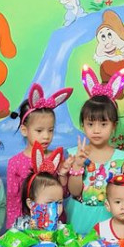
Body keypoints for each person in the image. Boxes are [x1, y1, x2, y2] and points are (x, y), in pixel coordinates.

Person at [66, 66, 124, 235]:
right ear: (83, 125)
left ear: (114, 126)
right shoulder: (75, 154)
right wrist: (77, 166)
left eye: (103, 124)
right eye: (90, 124)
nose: (96, 130)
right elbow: (74, 191)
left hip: (109, 222)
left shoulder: (122, 159)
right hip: (79, 219)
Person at [7, 83, 73, 228]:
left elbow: (65, 194)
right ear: (24, 130)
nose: (46, 136)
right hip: (27, 225)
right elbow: (13, 201)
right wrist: (14, 229)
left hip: (55, 223)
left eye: (50, 130)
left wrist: (63, 174)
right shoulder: (15, 162)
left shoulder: (56, 157)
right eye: (39, 131)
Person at [14, 142, 65, 231]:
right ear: (31, 204)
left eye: (60, 202)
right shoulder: (21, 226)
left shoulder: (60, 228)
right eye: (50, 203)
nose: (56, 208)